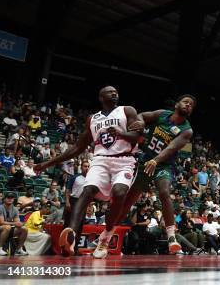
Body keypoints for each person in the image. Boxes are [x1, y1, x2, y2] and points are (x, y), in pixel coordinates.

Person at [34, 86, 141, 258]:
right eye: (110, 91)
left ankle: (105, 237)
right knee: (87, 190)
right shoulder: (93, 119)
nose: (115, 93)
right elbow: (77, 147)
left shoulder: (127, 111)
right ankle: (72, 235)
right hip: (100, 159)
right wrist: (47, 163)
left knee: (119, 192)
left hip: (125, 159)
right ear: (101, 97)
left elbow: (137, 137)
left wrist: (121, 132)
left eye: (116, 91)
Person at [120, 95, 195, 255]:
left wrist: (156, 160)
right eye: (185, 102)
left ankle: (171, 237)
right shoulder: (162, 114)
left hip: (163, 164)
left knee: (164, 192)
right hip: (145, 159)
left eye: (191, 105)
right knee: (131, 197)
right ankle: (110, 231)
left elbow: (171, 148)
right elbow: (140, 115)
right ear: (177, 104)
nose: (188, 105)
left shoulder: (187, 130)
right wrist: (139, 121)